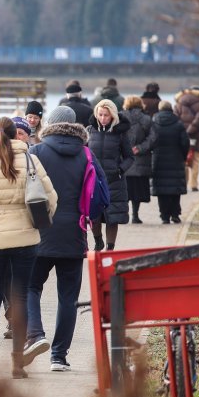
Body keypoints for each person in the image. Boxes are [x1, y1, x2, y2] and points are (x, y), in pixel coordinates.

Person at [0, 118, 58, 380]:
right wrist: (36, 223)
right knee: (21, 297)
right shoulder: (30, 161)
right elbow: (51, 198)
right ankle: (17, 362)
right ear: (15, 135)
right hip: (25, 239)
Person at [24, 106, 99, 372]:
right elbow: (102, 197)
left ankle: (36, 335)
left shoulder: (35, 152)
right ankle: (59, 356)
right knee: (68, 297)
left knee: (30, 287)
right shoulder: (86, 153)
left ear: (50, 124)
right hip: (74, 234)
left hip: (39, 233)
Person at [86, 100, 134, 251]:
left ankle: (110, 248)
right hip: (94, 180)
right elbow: (84, 153)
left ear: (112, 116)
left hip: (114, 180)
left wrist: (120, 170)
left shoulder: (120, 133)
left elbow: (130, 157)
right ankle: (98, 241)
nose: (102, 118)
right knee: (94, 214)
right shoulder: (89, 130)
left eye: (106, 115)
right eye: (100, 114)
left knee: (113, 217)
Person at [151, 101, 189, 223]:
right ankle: (175, 214)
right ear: (171, 109)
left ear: (159, 109)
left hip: (158, 160)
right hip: (176, 159)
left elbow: (151, 142)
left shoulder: (154, 123)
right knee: (175, 189)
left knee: (161, 190)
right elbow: (185, 143)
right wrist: (183, 156)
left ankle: (164, 216)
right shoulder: (178, 124)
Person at [121, 96, 157, 224]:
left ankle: (124, 215)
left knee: (124, 190)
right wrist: (140, 148)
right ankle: (135, 215)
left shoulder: (120, 117)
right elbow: (153, 138)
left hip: (123, 160)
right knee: (137, 191)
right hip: (141, 160)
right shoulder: (146, 119)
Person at [174, 88, 199, 192]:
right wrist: (191, 129)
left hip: (182, 136)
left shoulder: (178, 104)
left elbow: (175, 120)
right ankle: (194, 184)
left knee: (184, 160)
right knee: (196, 160)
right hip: (198, 135)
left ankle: (184, 183)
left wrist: (185, 132)